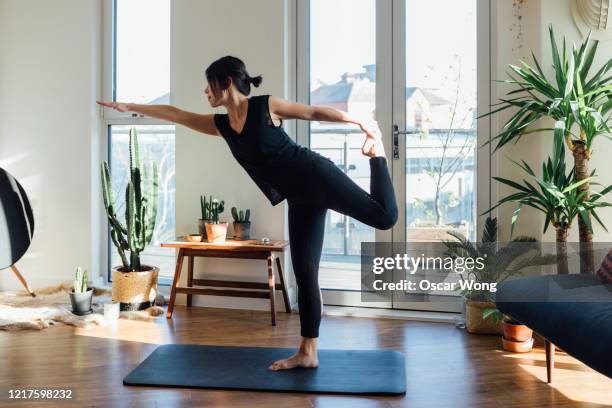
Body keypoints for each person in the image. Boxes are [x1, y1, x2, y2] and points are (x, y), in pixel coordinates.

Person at [97, 55, 398, 371]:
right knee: (306, 273)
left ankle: (377, 156)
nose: (205, 92)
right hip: (299, 198)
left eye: (209, 85)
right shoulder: (223, 125)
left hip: (316, 175)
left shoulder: (266, 106)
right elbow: (176, 114)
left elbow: (311, 112)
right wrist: (129, 105)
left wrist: (359, 122)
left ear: (226, 83)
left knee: (384, 217)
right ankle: (308, 352)